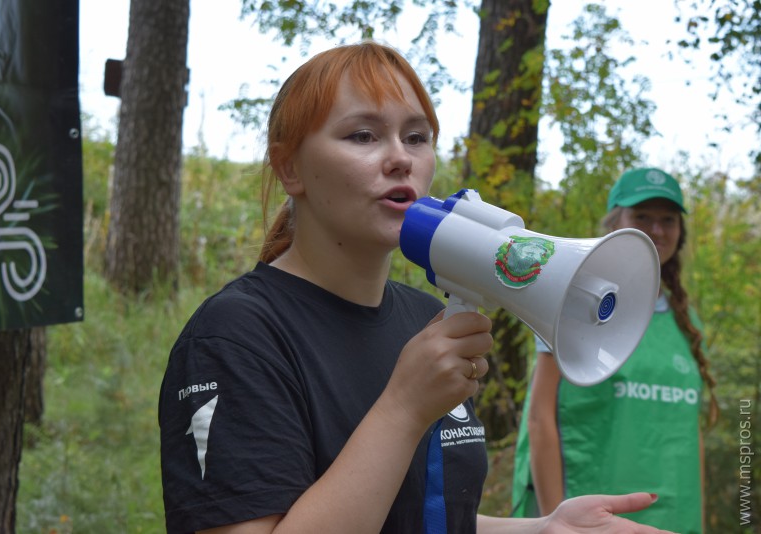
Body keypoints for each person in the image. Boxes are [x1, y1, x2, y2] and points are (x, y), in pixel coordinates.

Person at [159, 42, 676, 534]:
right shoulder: (237, 336)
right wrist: (403, 409)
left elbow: (409, 515)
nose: (400, 158)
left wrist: (544, 526)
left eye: (416, 136)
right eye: (362, 135)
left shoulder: (424, 319)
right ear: (290, 167)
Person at [511, 167, 719, 533]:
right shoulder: (572, 300)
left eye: (667, 220)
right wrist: (554, 524)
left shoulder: (689, 324)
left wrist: (696, 518)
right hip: (587, 518)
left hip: (673, 518)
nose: (657, 229)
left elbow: (689, 435)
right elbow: (540, 419)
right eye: (642, 216)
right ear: (614, 223)